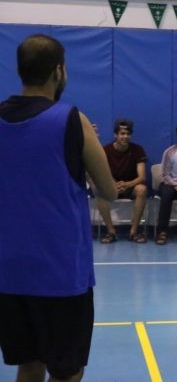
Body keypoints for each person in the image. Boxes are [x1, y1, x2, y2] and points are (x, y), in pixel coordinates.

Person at [0, 34, 117, 382]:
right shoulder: (72, 120)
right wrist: (86, 147)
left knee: (28, 366)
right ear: (58, 71)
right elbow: (109, 190)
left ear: (20, 70)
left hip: (8, 270)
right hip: (60, 272)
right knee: (67, 373)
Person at [97, 118, 149, 244]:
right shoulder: (105, 150)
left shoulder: (138, 150)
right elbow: (103, 173)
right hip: (112, 186)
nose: (125, 137)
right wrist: (113, 185)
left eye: (128, 134)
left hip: (130, 186)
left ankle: (133, 232)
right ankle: (111, 232)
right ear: (116, 135)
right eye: (122, 133)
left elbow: (142, 177)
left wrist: (127, 184)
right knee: (99, 193)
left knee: (142, 189)